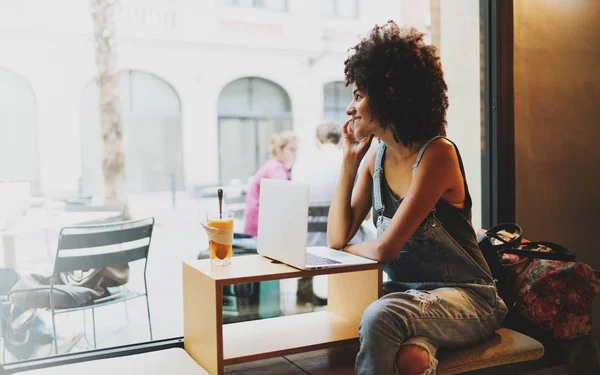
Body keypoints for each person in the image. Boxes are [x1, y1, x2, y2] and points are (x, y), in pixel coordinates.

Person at [327, 21, 507, 375]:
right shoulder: (375, 158)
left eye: (359, 95)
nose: (351, 108)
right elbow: (336, 236)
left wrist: (348, 250)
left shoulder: (437, 154)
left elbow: (383, 250)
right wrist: (349, 163)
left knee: (380, 314)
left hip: (469, 299)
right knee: (412, 361)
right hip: (410, 299)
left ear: (389, 96)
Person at [243, 131, 298, 237]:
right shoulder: (277, 169)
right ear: (279, 150)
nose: (295, 155)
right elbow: (283, 197)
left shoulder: (272, 165)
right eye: (291, 150)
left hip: (255, 226)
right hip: (260, 228)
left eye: (296, 150)